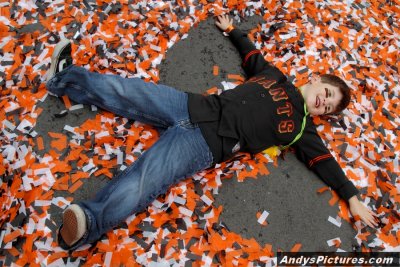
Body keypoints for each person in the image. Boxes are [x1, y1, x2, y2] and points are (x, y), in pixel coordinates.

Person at [45, 14, 378, 250]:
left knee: (145, 179)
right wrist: (233, 30)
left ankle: (88, 224)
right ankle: (64, 79)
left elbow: (325, 161)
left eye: (329, 108)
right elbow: (252, 57)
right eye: (330, 95)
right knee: (128, 91)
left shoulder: (301, 129)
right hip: (192, 106)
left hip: (204, 144)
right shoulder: (275, 76)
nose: (325, 103)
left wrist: (352, 196)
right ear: (319, 81)